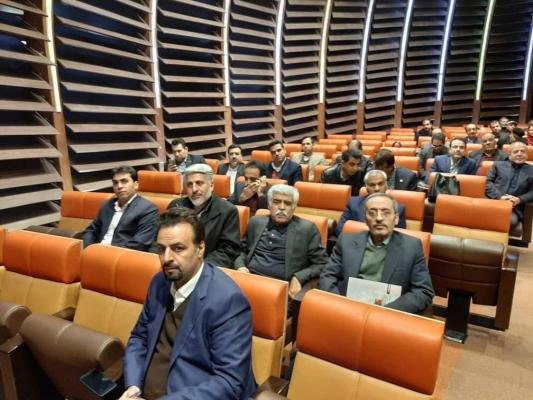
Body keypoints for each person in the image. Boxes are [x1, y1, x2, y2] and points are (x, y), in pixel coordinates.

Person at [121, 208, 257, 400]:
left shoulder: (228, 300)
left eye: (178, 248)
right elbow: (140, 338)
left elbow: (229, 382)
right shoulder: (159, 282)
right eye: (161, 249)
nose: (166, 258)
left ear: (200, 249)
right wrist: (133, 386)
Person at [319, 193, 434, 314]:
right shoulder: (346, 241)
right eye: (372, 213)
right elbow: (327, 277)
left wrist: (385, 312)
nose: (379, 218)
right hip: (346, 310)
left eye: (386, 212)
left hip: (387, 315)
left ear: (396, 218)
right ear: (365, 219)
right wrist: (340, 305)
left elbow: (424, 291)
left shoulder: (412, 247)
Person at [234, 184, 328, 300]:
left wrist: (299, 277)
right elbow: (241, 251)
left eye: (287, 203)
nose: (282, 207)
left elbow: (322, 263)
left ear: (294, 207)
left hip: (280, 290)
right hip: (248, 281)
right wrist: (241, 267)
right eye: (276, 202)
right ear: (269, 205)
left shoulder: (307, 229)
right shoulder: (256, 222)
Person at [168, 164, 240, 267]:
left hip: (206, 267)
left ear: (211, 185)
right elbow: (162, 237)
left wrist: (200, 267)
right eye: (189, 184)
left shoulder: (227, 211)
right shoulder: (176, 205)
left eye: (199, 183)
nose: (194, 189)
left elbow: (228, 250)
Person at [82, 166, 158, 251]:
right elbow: (91, 231)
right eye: (115, 183)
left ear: (136, 185)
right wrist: (88, 249)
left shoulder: (148, 209)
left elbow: (140, 243)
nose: (119, 186)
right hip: (96, 252)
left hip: (121, 255)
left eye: (124, 181)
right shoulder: (107, 205)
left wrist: (109, 254)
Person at [335, 170, 407, 236]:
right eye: (372, 185)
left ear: (386, 185)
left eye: (380, 184)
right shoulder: (353, 203)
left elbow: (399, 236)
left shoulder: (399, 208)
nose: (377, 189)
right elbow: (340, 230)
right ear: (366, 187)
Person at [486, 141, 533, 230]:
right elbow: (488, 182)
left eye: (523, 151)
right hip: (493, 200)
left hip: (514, 207)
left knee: (510, 221)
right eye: (515, 151)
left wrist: (519, 199)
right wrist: (499, 197)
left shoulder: (532, 170)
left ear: (527, 155)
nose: (519, 154)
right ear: (509, 154)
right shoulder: (498, 165)